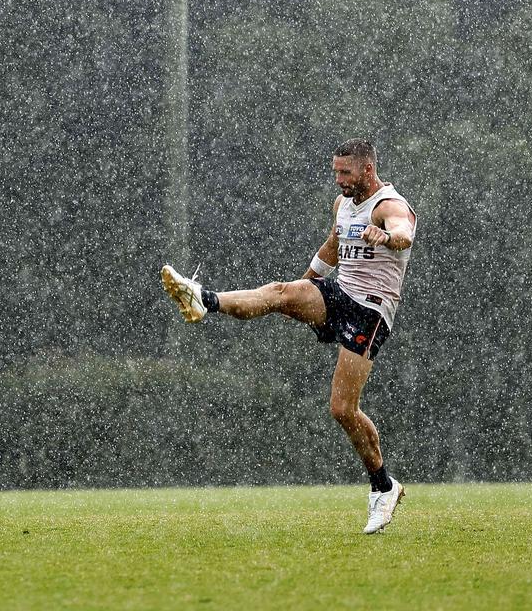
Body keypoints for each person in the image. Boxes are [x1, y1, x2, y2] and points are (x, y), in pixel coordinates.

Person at [161, 139, 416, 534]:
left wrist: (386, 238)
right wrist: (304, 288)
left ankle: (384, 487)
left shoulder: (389, 205)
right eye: (335, 172)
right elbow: (333, 247)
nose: (339, 179)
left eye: (345, 173)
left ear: (367, 170)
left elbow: (404, 233)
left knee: (342, 409)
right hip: (339, 293)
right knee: (280, 292)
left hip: (370, 311)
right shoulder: (342, 204)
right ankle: (203, 299)